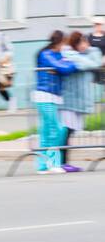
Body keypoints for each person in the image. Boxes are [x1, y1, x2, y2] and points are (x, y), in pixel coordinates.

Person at [32, 31, 79, 173]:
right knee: (56, 130)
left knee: (46, 132)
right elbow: (64, 68)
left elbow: (65, 65)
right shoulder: (46, 54)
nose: (65, 46)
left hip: (52, 96)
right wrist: (64, 65)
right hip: (45, 96)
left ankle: (42, 165)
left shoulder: (55, 54)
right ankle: (53, 164)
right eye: (64, 43)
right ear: (58, 43)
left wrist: (63, 64)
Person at [58, 31, 103, 172]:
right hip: (68, 100)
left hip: (77, 101)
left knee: (70, 131)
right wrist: (90, 61)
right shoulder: (69, 54)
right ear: (76, 44)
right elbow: (88, 64)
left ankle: (63, 163)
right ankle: (61, 162)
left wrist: (88, 49)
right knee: (66, 131)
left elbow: (95, 60)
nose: (86, 45)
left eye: (86, 42)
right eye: (83, 43)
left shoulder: (84, 53)